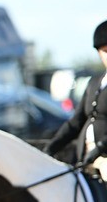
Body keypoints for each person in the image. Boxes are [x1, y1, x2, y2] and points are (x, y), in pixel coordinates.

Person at [43, 19, 107, 177]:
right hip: (84, 158)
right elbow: (75, 122)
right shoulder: (94, 83)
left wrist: (100, 148)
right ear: (99, 53)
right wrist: (51, 147)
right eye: (105, 51)